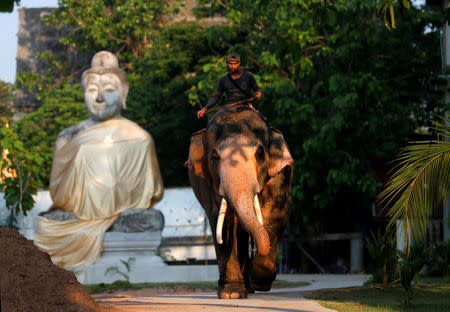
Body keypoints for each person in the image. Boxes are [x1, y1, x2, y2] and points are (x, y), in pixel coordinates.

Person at [34, 51, 164, 267]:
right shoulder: (68, 136)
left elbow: (152, 193)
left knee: (152, 219)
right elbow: (59, 194)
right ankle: (91, 227)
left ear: (124, 93)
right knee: (48, 221)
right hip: (75, 217)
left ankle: (99, 226)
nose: (100, 98)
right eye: (92, 90)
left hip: (123, 218)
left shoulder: (140, 138)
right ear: (84, 92)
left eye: (110, 90)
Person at [197, 53, 262, 118]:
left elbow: (257, 89)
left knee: (261, 122)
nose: (233, 66)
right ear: (227, 64)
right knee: (216, 120)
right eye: (230, 64)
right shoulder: (223, 80)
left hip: (246, 105)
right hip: (230, 106)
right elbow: (216, 97)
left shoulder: (248, 76)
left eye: (235, 64)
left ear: (239, 63)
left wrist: (258, 93)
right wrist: (205, 108)